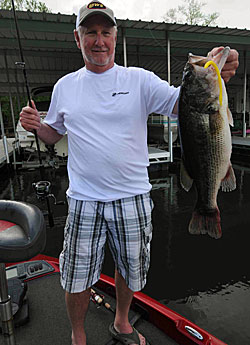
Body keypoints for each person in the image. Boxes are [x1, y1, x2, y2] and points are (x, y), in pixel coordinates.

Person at [19, 2, 239, 344]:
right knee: (76, 277)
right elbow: (53, 134)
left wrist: (220, 72)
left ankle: (122, 320)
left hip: (132, 197)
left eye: (106, 32)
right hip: (83, 200)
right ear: (77, 38)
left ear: (115, 36)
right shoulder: (65, 86)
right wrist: (38, 126)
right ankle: (78, 335)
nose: (99, 40)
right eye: (90, 32)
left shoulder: (139, 80)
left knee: (130, 268)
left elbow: (186, 103)